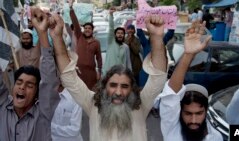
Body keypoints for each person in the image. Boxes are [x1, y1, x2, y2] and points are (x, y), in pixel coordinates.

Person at [50, 8, 167, 140]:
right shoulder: (92, 104)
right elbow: (68, 76)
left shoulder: (141, 104)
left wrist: (157, 38)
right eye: (113, 85)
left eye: (124, 86)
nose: (118, 92)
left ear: (132, 89)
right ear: (104, 86)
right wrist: (57, 38)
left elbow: (158, 77)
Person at [0, 7, 60, 141]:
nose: (22, 87)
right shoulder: (3, 107)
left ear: (37, 93)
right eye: (19, 83)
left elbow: (49, 81)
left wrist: (43, 33)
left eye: (29, 85)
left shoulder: (43, 113)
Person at [158, 21, 223, 141]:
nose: (193, 121)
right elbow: (171, 94)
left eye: (199, 113)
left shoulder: (215, 137)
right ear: (180, 112)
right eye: (188, 113)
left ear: (205, 112)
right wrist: (188, 55)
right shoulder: (172, 128)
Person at [69, 2, 102, 90]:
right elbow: (75, 22)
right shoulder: (79, 37)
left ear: (92, 30)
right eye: (86, 28)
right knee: (80, 93)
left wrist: (99, 71)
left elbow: (99, 58)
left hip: (91, 73)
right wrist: (71, 8)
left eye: (89, 28)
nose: (87, 30)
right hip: (79, 72)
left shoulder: (96, 42)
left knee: (91, 93)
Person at [102, 8, 132, 75]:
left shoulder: (125, 47)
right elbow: (111, 28)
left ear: (124, 35)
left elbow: (128, 62)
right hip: (108, 75)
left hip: (120, 75)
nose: (120, 35)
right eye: (118, 33)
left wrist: (130, 75)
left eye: (122, 33)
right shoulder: (111, 42)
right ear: (115, 35)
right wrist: (111, 15)